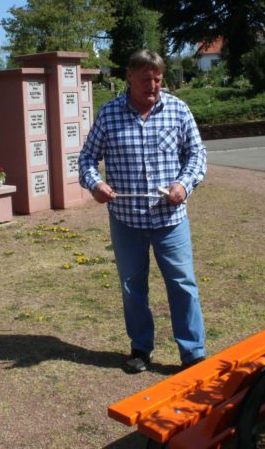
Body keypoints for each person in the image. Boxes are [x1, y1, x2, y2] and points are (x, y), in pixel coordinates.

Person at [78, 49, 207, 373]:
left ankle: (193, 353)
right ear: (129, 78)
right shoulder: (109, 114)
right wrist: (95, 185)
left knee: (182, 284)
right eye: (146, 80)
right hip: (127, 221)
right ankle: (140, 349)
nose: (153, 86)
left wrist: (183, 184)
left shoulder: (178, 110)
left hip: (170, 219)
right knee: (133, 287)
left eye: (158, 80)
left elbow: (197, 155)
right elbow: (86, 159)